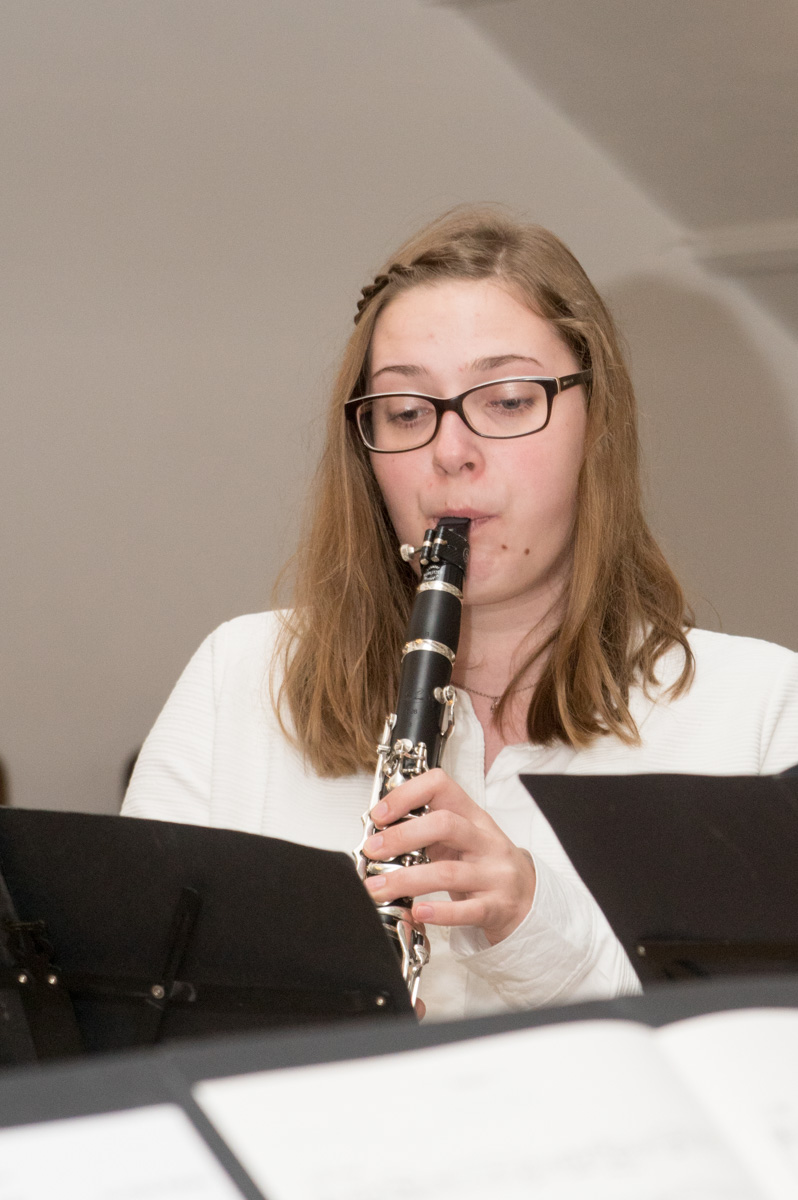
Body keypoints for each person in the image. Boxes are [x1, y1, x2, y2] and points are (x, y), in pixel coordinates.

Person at [123, 207, 798, 1021]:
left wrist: (535, 929)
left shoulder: (760, 711)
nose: (450, 452)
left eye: (508, 401)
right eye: (407, 412)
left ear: (599, 422)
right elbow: (128, 1020)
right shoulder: (239, 678)